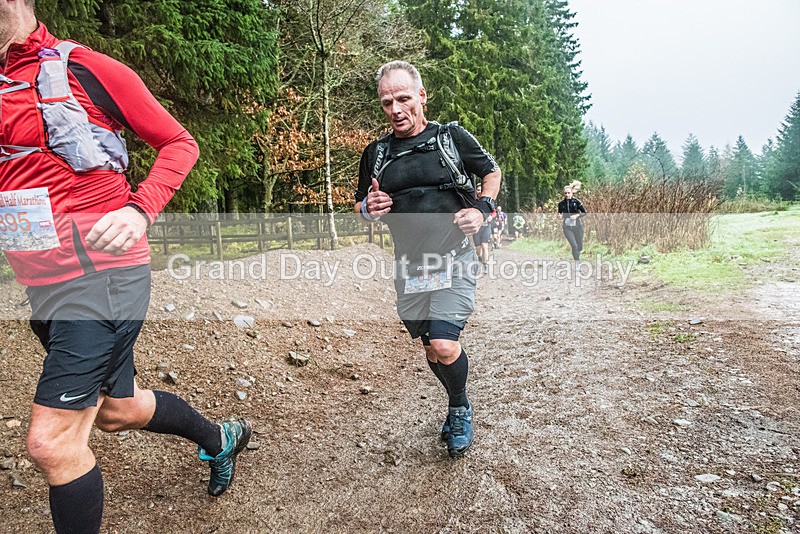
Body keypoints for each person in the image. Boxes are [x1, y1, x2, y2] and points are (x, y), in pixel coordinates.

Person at [0, 2, 250, 532]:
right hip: (44, 285)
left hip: (104, 278)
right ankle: (220, 438)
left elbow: (179, 142)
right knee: (118, 410)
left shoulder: (85, 68)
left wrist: (140, 209)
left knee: (53, 443)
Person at [355, 61, 501, 458]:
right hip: (409, 267)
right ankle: (456, 399)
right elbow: (361, 207)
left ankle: (459, 407)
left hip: (454, 259)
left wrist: (483, 208)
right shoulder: (377, 153)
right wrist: (371, 207)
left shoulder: (450, 138)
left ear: (421, 96)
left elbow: (490, 171)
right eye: (387, 102)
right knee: (430, 349)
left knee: (444, 342)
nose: (395, 109)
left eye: (403, 98)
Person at [557, 180, 587, 262]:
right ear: (564, 194)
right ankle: (577, 262)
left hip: (578, 227)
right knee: (574, 246)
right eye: (565, 193)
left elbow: (585, 212)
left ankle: (577, 253)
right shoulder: (561, 204)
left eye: (568, 193)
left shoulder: (577, 202)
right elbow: (559, 213)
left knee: (579, 246)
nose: (567, 195)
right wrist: (560, 216)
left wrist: (577, 215)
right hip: (567, 228)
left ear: (572, 193)